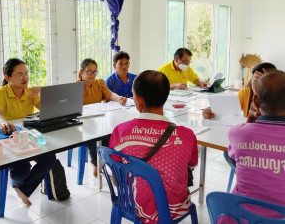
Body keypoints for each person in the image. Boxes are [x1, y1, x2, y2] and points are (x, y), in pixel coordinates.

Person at [109, 70, 198, 223]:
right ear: (166, 96)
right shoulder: (187, 135)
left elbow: (115, 175)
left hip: (131, 204)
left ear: (138, 100)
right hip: (174, 208)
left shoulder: (121, 131)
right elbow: (192, 164)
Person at [0, 58, 56, 206]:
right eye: (20, 74)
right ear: (7, 77)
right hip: (9, 137)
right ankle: (20, 185)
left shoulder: (29, 92)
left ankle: (23, 189)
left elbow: (47, 112)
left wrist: (41, 95)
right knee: (21, 164)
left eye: (26, 74)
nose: (25, 78)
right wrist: (3, 122)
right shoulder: (0, 93)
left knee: (50, 157)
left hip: (28, 135)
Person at [228, 70, 285, 212]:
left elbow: (232, 157)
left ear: (256, 101)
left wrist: (249, 124)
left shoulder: (237, 133)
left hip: (241, 216)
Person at [76, 58, 127, 177]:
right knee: (92, 134)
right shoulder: (75, 87)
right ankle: (96, 162)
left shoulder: (99, 82)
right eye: (89, 71)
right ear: (81, 71)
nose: (92, 75)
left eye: (94, 72)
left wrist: (119, 98)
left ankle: (104, 162)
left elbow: (109, 94)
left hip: (98, 119)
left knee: (110, 133)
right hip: (83, 122)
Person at [203, 62, 276, 122]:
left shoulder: (278, 96)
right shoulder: (246, 92)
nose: (258, 84)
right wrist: (210, 110)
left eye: (263, 80)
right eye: (256, 79)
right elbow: (228, 106)